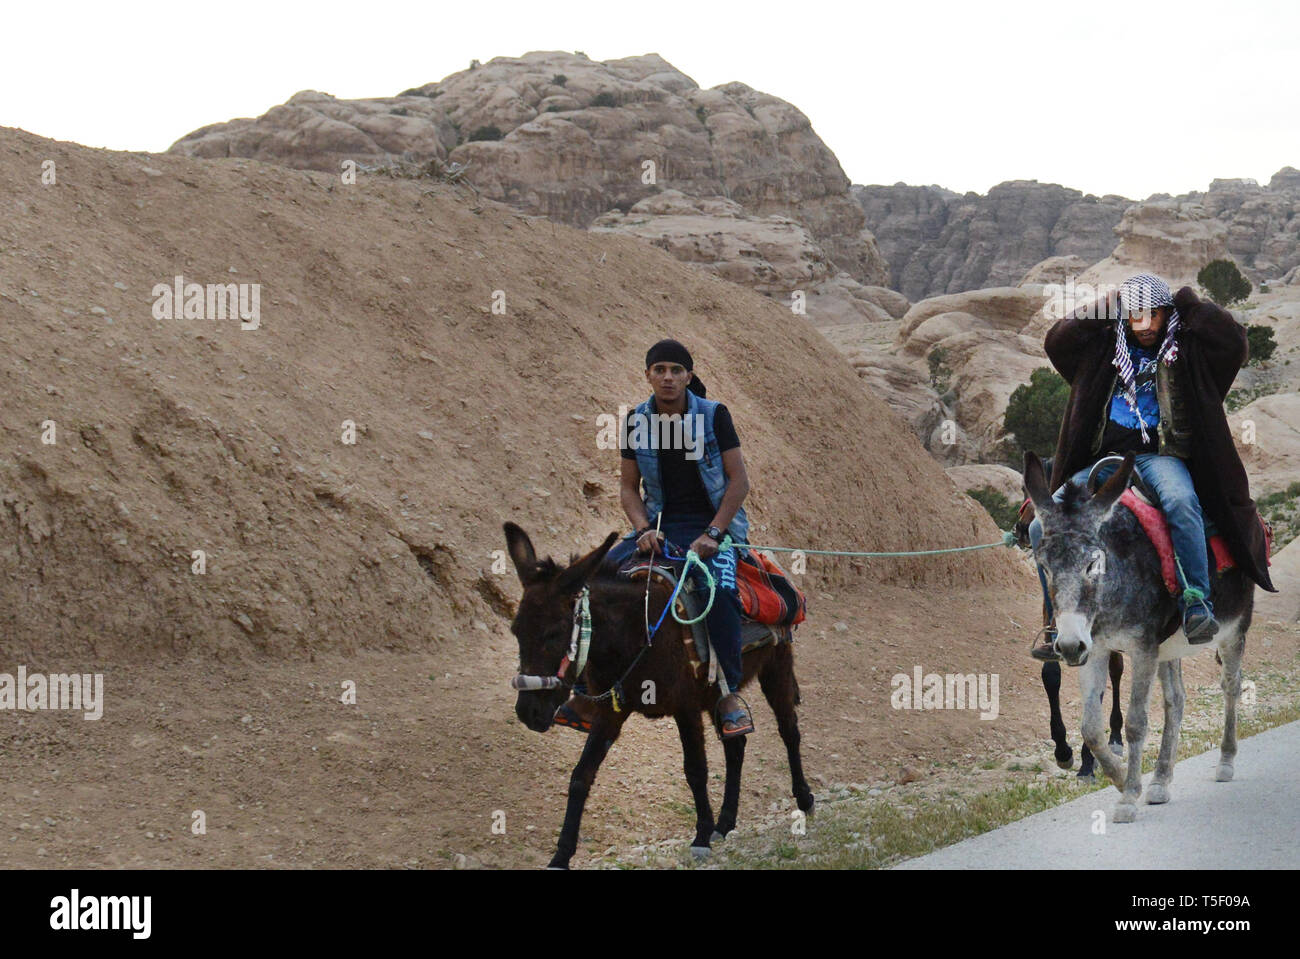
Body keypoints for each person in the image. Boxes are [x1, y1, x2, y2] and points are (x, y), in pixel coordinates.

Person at [1028, 273, 1277, 661]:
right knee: (1037, 525)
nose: (1143, 325)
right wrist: (1107, 302)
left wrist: (1188, 301)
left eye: (1153, 315)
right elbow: (1056, 342)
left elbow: (1233, 343)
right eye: (1135, 315)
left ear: (1166, 314)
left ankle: (1197, 602)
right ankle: (1053, 622)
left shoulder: (1189, 353)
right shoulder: (1102, 351)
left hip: (1161, 457)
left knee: (1182, 503)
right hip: (1101, 459)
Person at [554, 339, 755, 738]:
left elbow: (738, 481)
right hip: (659, 525)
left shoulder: (714, 416)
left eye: (676, 370)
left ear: (689, 376)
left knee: (721, 592)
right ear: (647, 374)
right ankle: (584, 693)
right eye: (659, 369)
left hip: (711, 526)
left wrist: (714, 533)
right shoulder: (635, 422)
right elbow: (629, 488)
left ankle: (728, 694)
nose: (668, 377)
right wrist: (644, 529)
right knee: (594, 586)